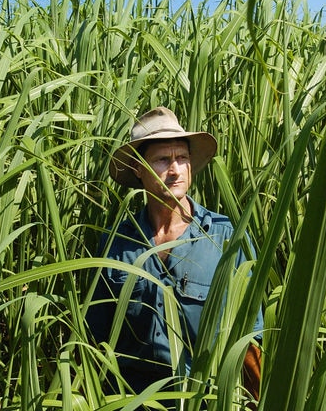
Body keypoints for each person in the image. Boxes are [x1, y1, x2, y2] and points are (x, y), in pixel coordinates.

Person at [87, 106, 263, 401]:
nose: (175, 170)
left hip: (203, 401)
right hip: (132, 401)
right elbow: (96, 341)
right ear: (138, 170)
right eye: (162, 160)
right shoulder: (116, 243)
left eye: (182, 158)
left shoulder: (226, 237)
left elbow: (250, 341)